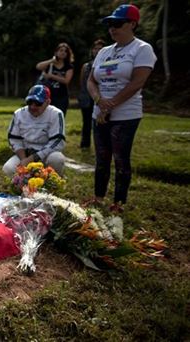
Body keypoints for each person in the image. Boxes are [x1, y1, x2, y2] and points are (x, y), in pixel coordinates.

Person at [87, 4, 157, 213]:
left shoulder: (142, 49)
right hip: (99, 113)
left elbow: (137, 82)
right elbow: (91, 80)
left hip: (126, 115)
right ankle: (98, 197)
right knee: (101, 159)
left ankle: (119, 202)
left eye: (117, 24)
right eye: (110, 24)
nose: (112, 28)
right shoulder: (104, 52)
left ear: (132, 24)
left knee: (120, 158)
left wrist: (111, 105)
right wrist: (99, 102)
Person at [3, 85, 66, 177]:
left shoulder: (56, 114)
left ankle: (53, 181)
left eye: (38, 103)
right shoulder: (19, 114)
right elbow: (14, 139)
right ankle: (24, 186)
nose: (33, 107)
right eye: (29, 102)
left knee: (57, 159)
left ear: (48, 102)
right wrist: (24, 159)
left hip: (46, 155)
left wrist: (33, 158)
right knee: (8, 169)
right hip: (25, 154)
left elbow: (57, 142)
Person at [78, 39, 105, 149]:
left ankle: (101, 145)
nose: (97, 51)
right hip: (86, 98)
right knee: (86, 122)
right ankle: (85, 144)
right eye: (95, 48)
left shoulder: (107, 65)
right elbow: (82, 82)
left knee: (101, 122)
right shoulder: (86, 66)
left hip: (101, 98)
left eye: (100, 49)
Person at [35, 42, 75, 116]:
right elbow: (38, 66)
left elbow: (66, 80)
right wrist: (52, 60)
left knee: (59, 116)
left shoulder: (69, 67)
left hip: (61, 96)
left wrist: (52, 76)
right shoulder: (50, 64)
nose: (63, 52)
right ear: (56, 52)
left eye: (65, 51)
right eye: (61, 50)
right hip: (48, 96)